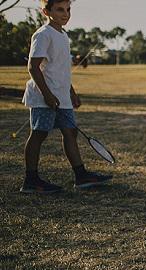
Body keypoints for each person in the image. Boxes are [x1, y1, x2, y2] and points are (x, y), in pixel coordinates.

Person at [20, 0, 112, 194]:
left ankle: (81, 176)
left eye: (68, 9)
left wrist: (71, 92)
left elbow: (61, 69)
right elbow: (33, 67)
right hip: (44, 95)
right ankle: (31, 180)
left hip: (62, 96)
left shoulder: (63, 35)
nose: (65, 14)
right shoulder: (43, 34)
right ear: (46, 11)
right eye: (59, 9)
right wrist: (47, 94)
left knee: (70, 132)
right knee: (39, 134)